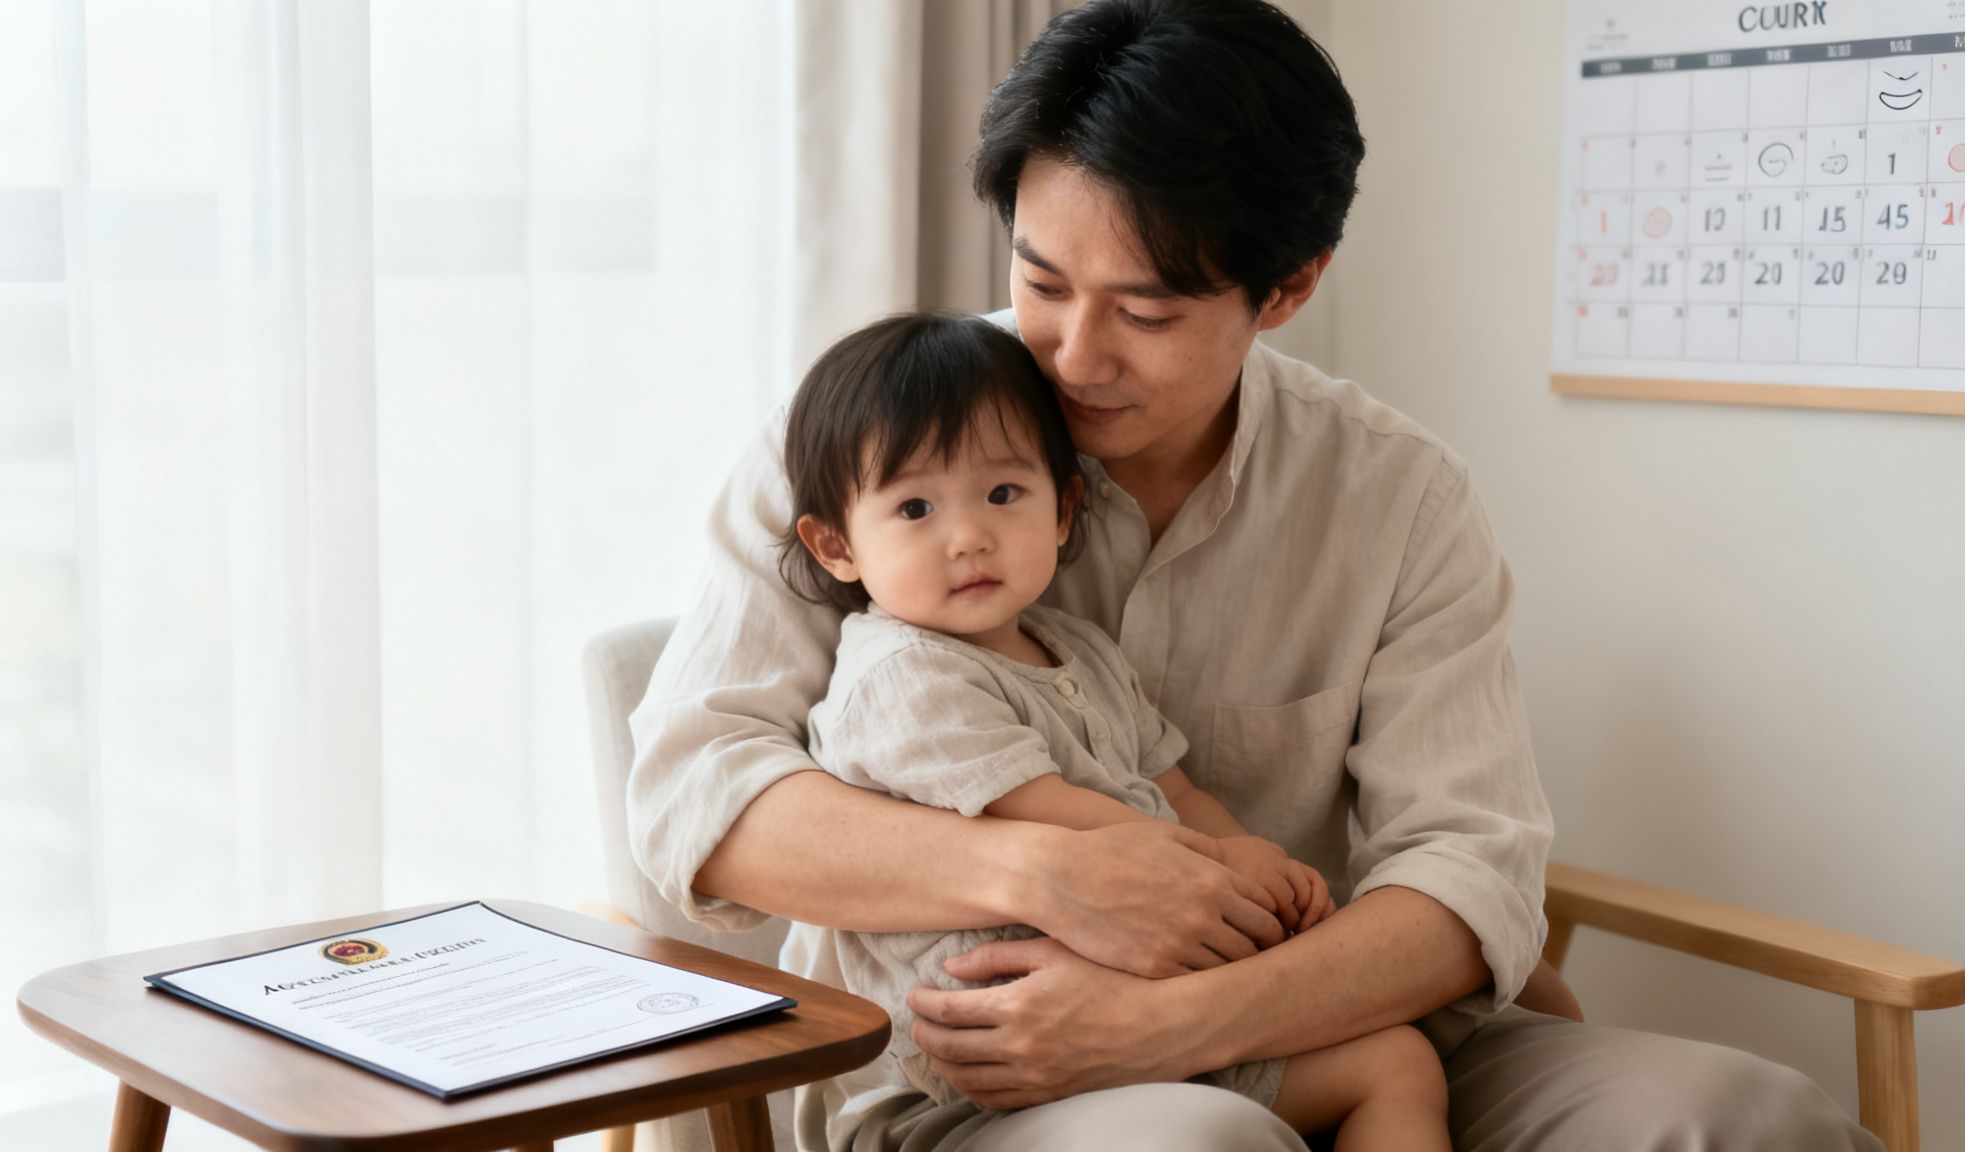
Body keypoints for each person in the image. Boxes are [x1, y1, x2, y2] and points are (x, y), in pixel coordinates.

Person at [627, 1, 1882, 1148]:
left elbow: (1462, 866)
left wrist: (1180, 1021)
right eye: (1040, 280)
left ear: (1286, 287)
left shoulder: (1396, 498)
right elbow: (700, 795)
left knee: (1750, 1112)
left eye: (1148, 312)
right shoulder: (865, 456)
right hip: (985, 1057)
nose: (1072, 353)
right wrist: (1043, 873)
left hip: (1318, 1018)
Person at [774, 309, 1449, 1150]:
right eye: (915, 507)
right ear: (836, 544)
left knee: (1399, 1063)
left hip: (1139, 1013)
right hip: (982, 1067)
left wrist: (1257, 863)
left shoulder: (1077, 650)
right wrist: (1221, 877)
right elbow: (1046, 810)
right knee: (1305, 1094)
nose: (970, 536)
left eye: (1003, 493)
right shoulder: (901, 674)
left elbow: (1176, 787)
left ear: (1064, 510)